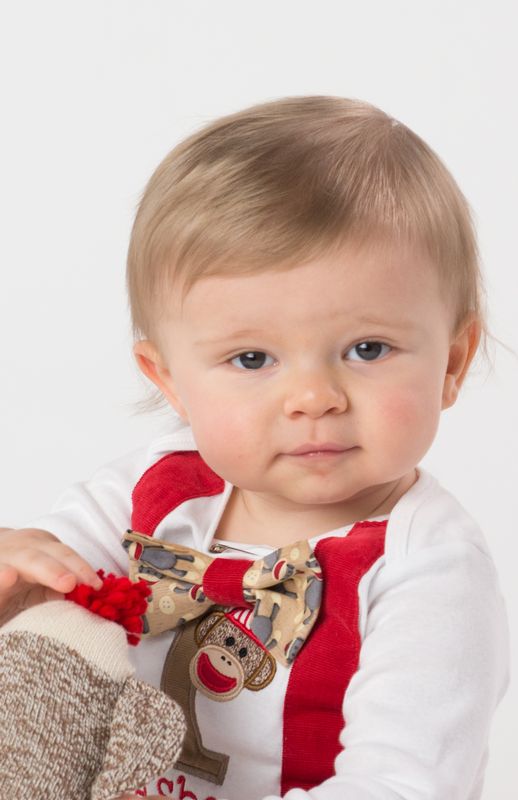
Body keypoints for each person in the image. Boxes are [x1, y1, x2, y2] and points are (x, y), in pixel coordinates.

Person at [0, 96, 510, 800]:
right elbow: (37, 604)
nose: (313, 397)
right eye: (252, 359)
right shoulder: (151, 491)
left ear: (452, 363)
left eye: (367, 349)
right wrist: (13, 571)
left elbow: (401, 783)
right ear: (171, 381)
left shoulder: (429, 568)